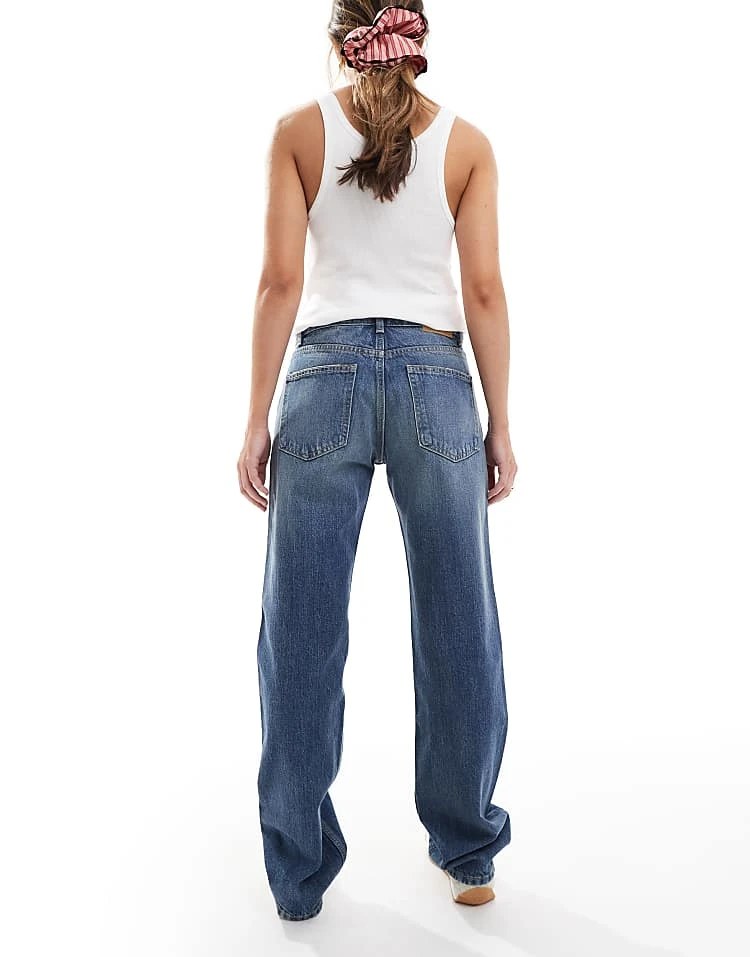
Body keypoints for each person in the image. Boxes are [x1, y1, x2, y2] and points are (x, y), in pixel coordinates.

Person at [237, 1, 517, 921]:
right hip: (438, 379)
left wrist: (255, 418)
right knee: (459, 622)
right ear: (419, 39)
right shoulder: (468, 145)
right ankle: (469, 852)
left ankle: (297, 877)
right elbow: (483, 289)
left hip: (325, 378)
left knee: (301, 629)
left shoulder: (297, 133)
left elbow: (281, 281)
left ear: (339, 40)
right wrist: (500, 422)